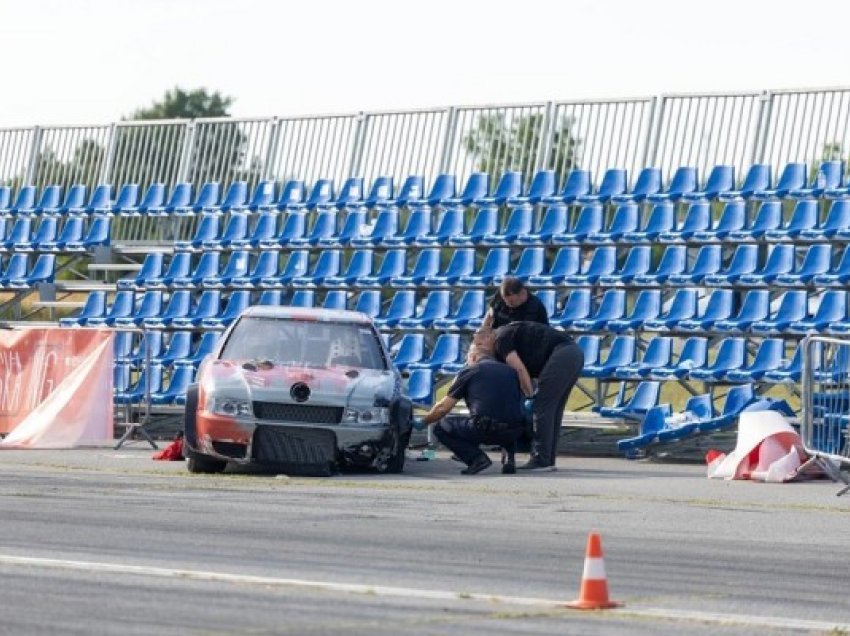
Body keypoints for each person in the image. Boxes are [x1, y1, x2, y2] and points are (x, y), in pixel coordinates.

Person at [474, 321, 584, 472]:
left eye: (480, 344)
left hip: (562, 353)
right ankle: (548, 459)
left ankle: (541, 459)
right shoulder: (503, 337)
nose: (481, 350)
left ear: (488, 337)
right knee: (553, 410)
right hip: (572, 353)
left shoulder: (499, 339)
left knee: (541, 408)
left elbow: (519, 369)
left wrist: (530, 396)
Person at [415, 343, 527, 475]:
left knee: (441, 427)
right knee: (506, 413)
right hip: (515, 431)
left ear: (473, 357)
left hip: (485, 429)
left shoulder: (471, 371)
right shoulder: (511, 371)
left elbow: (442, 409)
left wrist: (424, 422)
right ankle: (510, 459)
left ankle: (476, 458)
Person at [482, 276, 549, 329]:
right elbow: (491, 312)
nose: (507, 304)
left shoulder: (534, 307)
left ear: (522, 294)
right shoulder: (501, 296)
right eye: (504, 300)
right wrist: (484, 329)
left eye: (511, 302)